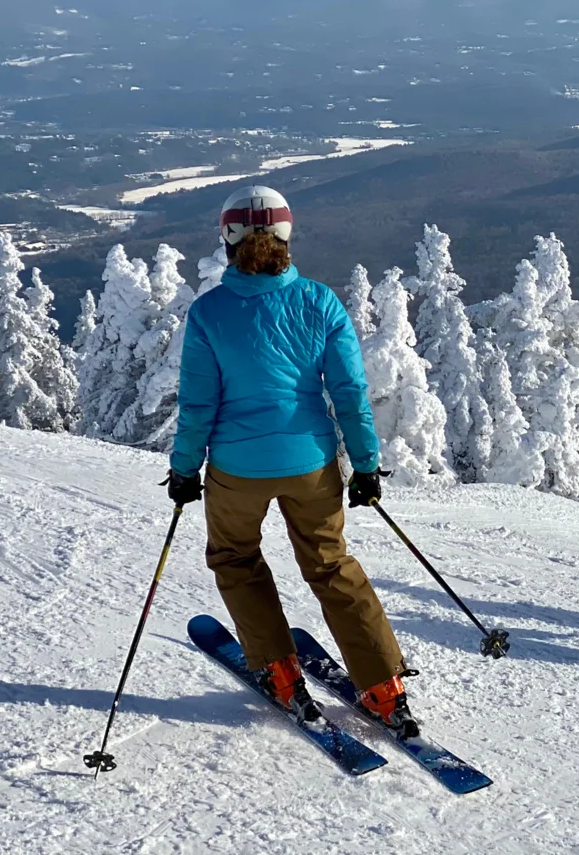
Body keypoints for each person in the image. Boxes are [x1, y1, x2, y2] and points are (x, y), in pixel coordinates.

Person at [166, 184, 419, 736]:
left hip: (237, 469)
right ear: (286, 234)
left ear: (227, 237)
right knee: (330, 564)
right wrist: (367, 466)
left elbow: (198, 403)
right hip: (312, 465)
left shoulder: (210, 312)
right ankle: (383, 686)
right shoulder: (320, 302)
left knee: (236, 559)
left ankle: (280, 673)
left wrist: (185, 469)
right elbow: (350, 392)